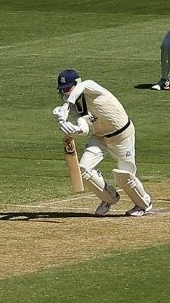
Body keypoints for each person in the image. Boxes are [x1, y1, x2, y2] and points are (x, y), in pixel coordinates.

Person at [52, 68, 153, 217]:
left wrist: (67, 105)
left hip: (122, 136)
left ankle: (144, 203)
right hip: (100, 137)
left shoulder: (91, 87)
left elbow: (83, 86)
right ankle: (109, 198)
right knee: (83, 170)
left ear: (76, 84)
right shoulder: (76, 105)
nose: (65, 93)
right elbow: (85, 128)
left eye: (67, 88)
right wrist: (72, 129)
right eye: (62, 90)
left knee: (125, 177)